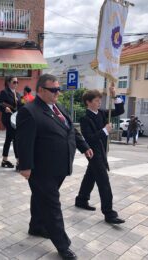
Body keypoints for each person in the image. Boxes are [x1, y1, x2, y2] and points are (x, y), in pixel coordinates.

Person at [16, 74, 93, 260]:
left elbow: (71, 129)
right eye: (54, 90)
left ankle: (36, 227)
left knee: (40, 197)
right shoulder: (29, 111)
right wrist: (25, 166)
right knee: (52, 204)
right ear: (41, 90)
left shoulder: (58, 106)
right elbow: (23, 142)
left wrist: (84, 146)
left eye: (59, 89)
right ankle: (62, 245)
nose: (58, 93)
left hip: (59, 166)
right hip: (41, 168)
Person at [75, 86, 125, 225]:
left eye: (100, 101)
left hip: (103, 151)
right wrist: (104, 130)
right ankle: (109, 214)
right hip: (93, 152)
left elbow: (120, 110)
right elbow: (89, 138)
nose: (99, 103)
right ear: (88, 102)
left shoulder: (102, 113)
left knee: (90, 175)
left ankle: (81, 199)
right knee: (104, 182)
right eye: (97, 101)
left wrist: (114, 96)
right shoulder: (85, 118)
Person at [0, 76, 23, 171]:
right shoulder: (4, 92)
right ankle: (18, 162)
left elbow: (20, 106)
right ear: (8, 82)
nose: (16, 84)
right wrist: (4, 108)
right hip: (7, 119)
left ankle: (4, 160)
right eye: (14, 82)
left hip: (15, 119)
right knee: (16, 139)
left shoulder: (18, 94)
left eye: (17, 82)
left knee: (9, 139)